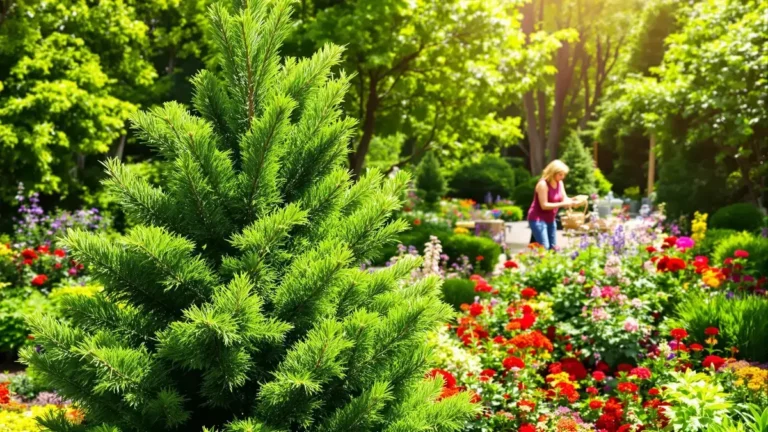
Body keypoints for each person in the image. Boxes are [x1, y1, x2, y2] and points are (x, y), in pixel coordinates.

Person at [527, 159, 580, 250]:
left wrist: (574, 201)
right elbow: (544, 205)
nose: (563, 177)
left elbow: (564, 198)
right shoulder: (543, 184)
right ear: (552, 173)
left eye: (564, 174)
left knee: (553, 247)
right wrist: (563, 203)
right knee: (545, 247)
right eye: (560, 174)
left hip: (550, 219)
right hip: (537, 219)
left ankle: (536, 257)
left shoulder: (560, 183)